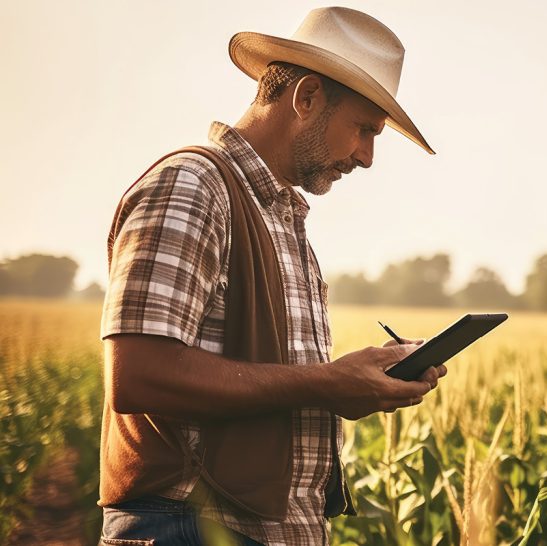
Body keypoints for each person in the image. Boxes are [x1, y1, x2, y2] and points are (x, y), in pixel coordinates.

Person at [98, 7, 442, 545]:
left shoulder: (281, 215)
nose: (368, 157)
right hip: (191, 525)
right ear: (305, 98)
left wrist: (349, 390)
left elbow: (266, 383)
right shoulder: (192, 187)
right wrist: (328, 381)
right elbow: (139, 374)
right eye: (364, 130)